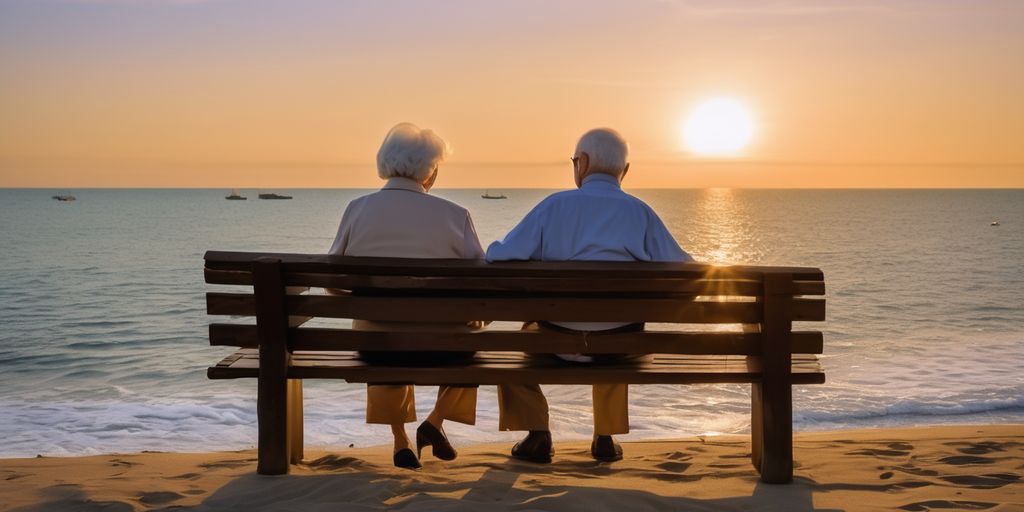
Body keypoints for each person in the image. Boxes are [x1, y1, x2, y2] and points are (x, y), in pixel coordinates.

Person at [486, 128, 693, 463]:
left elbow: (500, 255)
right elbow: (685, 269)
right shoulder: (640, 213)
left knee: (515, 342)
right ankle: (605, 437)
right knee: (621, 326)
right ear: (624, 171)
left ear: (581, 163)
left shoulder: (553, 207)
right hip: (618, 348)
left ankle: (536, 432)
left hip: (555, 342)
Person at [328, 123, 484, 470]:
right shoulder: (455, 215)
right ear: (431, 170)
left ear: (385, 161)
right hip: (444, 347)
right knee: (475, 330)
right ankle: (435, 422)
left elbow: (331, 280)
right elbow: (481, 284)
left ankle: (400, 440)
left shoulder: (357, 209)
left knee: (376, 327)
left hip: (377, 346)